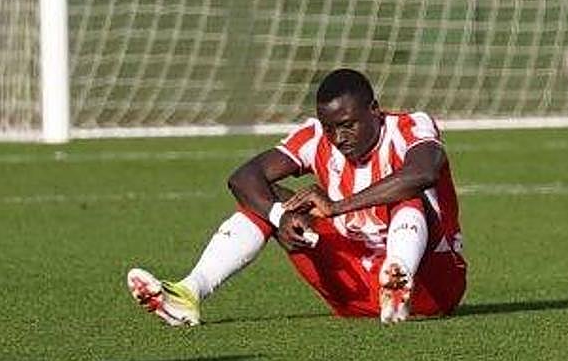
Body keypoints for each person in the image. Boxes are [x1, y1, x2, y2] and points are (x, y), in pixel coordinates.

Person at [126, 68, 467, 325]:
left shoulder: (410, 126)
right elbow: (243, 178)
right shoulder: (314, 135)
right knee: (267, 199)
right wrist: (281, 217)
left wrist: (335, 207)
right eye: (330, 127)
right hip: (355, 289)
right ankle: (189, 293)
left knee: (406, 194)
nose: (338, 137)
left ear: (375, 110)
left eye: (348, 124)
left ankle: (398, 280)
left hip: (433, 285)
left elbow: (421, 174)